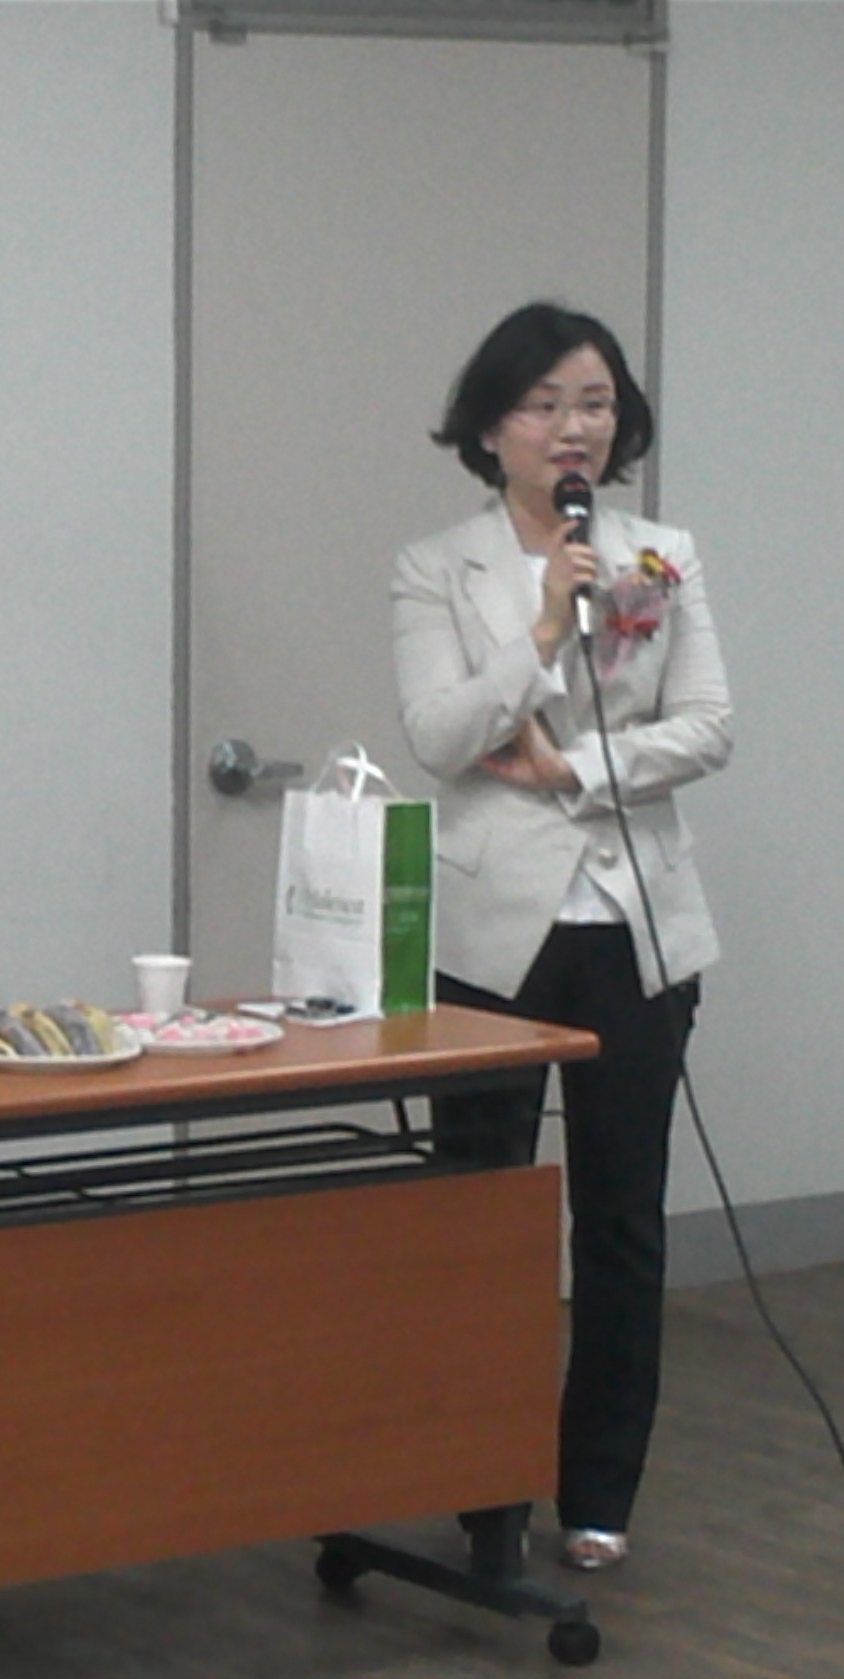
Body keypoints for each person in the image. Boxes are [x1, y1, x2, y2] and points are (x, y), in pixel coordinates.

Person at [392, 303, 732, 1574]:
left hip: (634, 925)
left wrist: (575, 768)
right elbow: (439, 735)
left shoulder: (660, 558)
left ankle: (597, 1492)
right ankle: (481, 1484)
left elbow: (708, 725)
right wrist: (541, 627)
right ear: (492, 428)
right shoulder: (438, 567)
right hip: (493, 935)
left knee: (622, 1217)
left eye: (594, 402)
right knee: (482, 1215)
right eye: (544, 405)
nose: (572, 427)